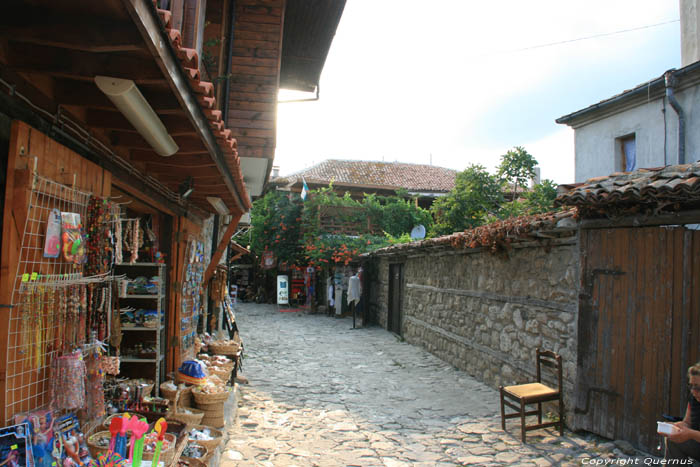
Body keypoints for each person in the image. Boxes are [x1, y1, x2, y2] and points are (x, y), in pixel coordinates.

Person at [665, 361, 700, 461]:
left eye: (697, 387)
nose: (693, 391)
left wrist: (690, 434)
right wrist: (675, 427)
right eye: (691, 386)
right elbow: (687, 422)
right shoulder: (693, 399)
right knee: (673, 439)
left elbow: (690, 432)